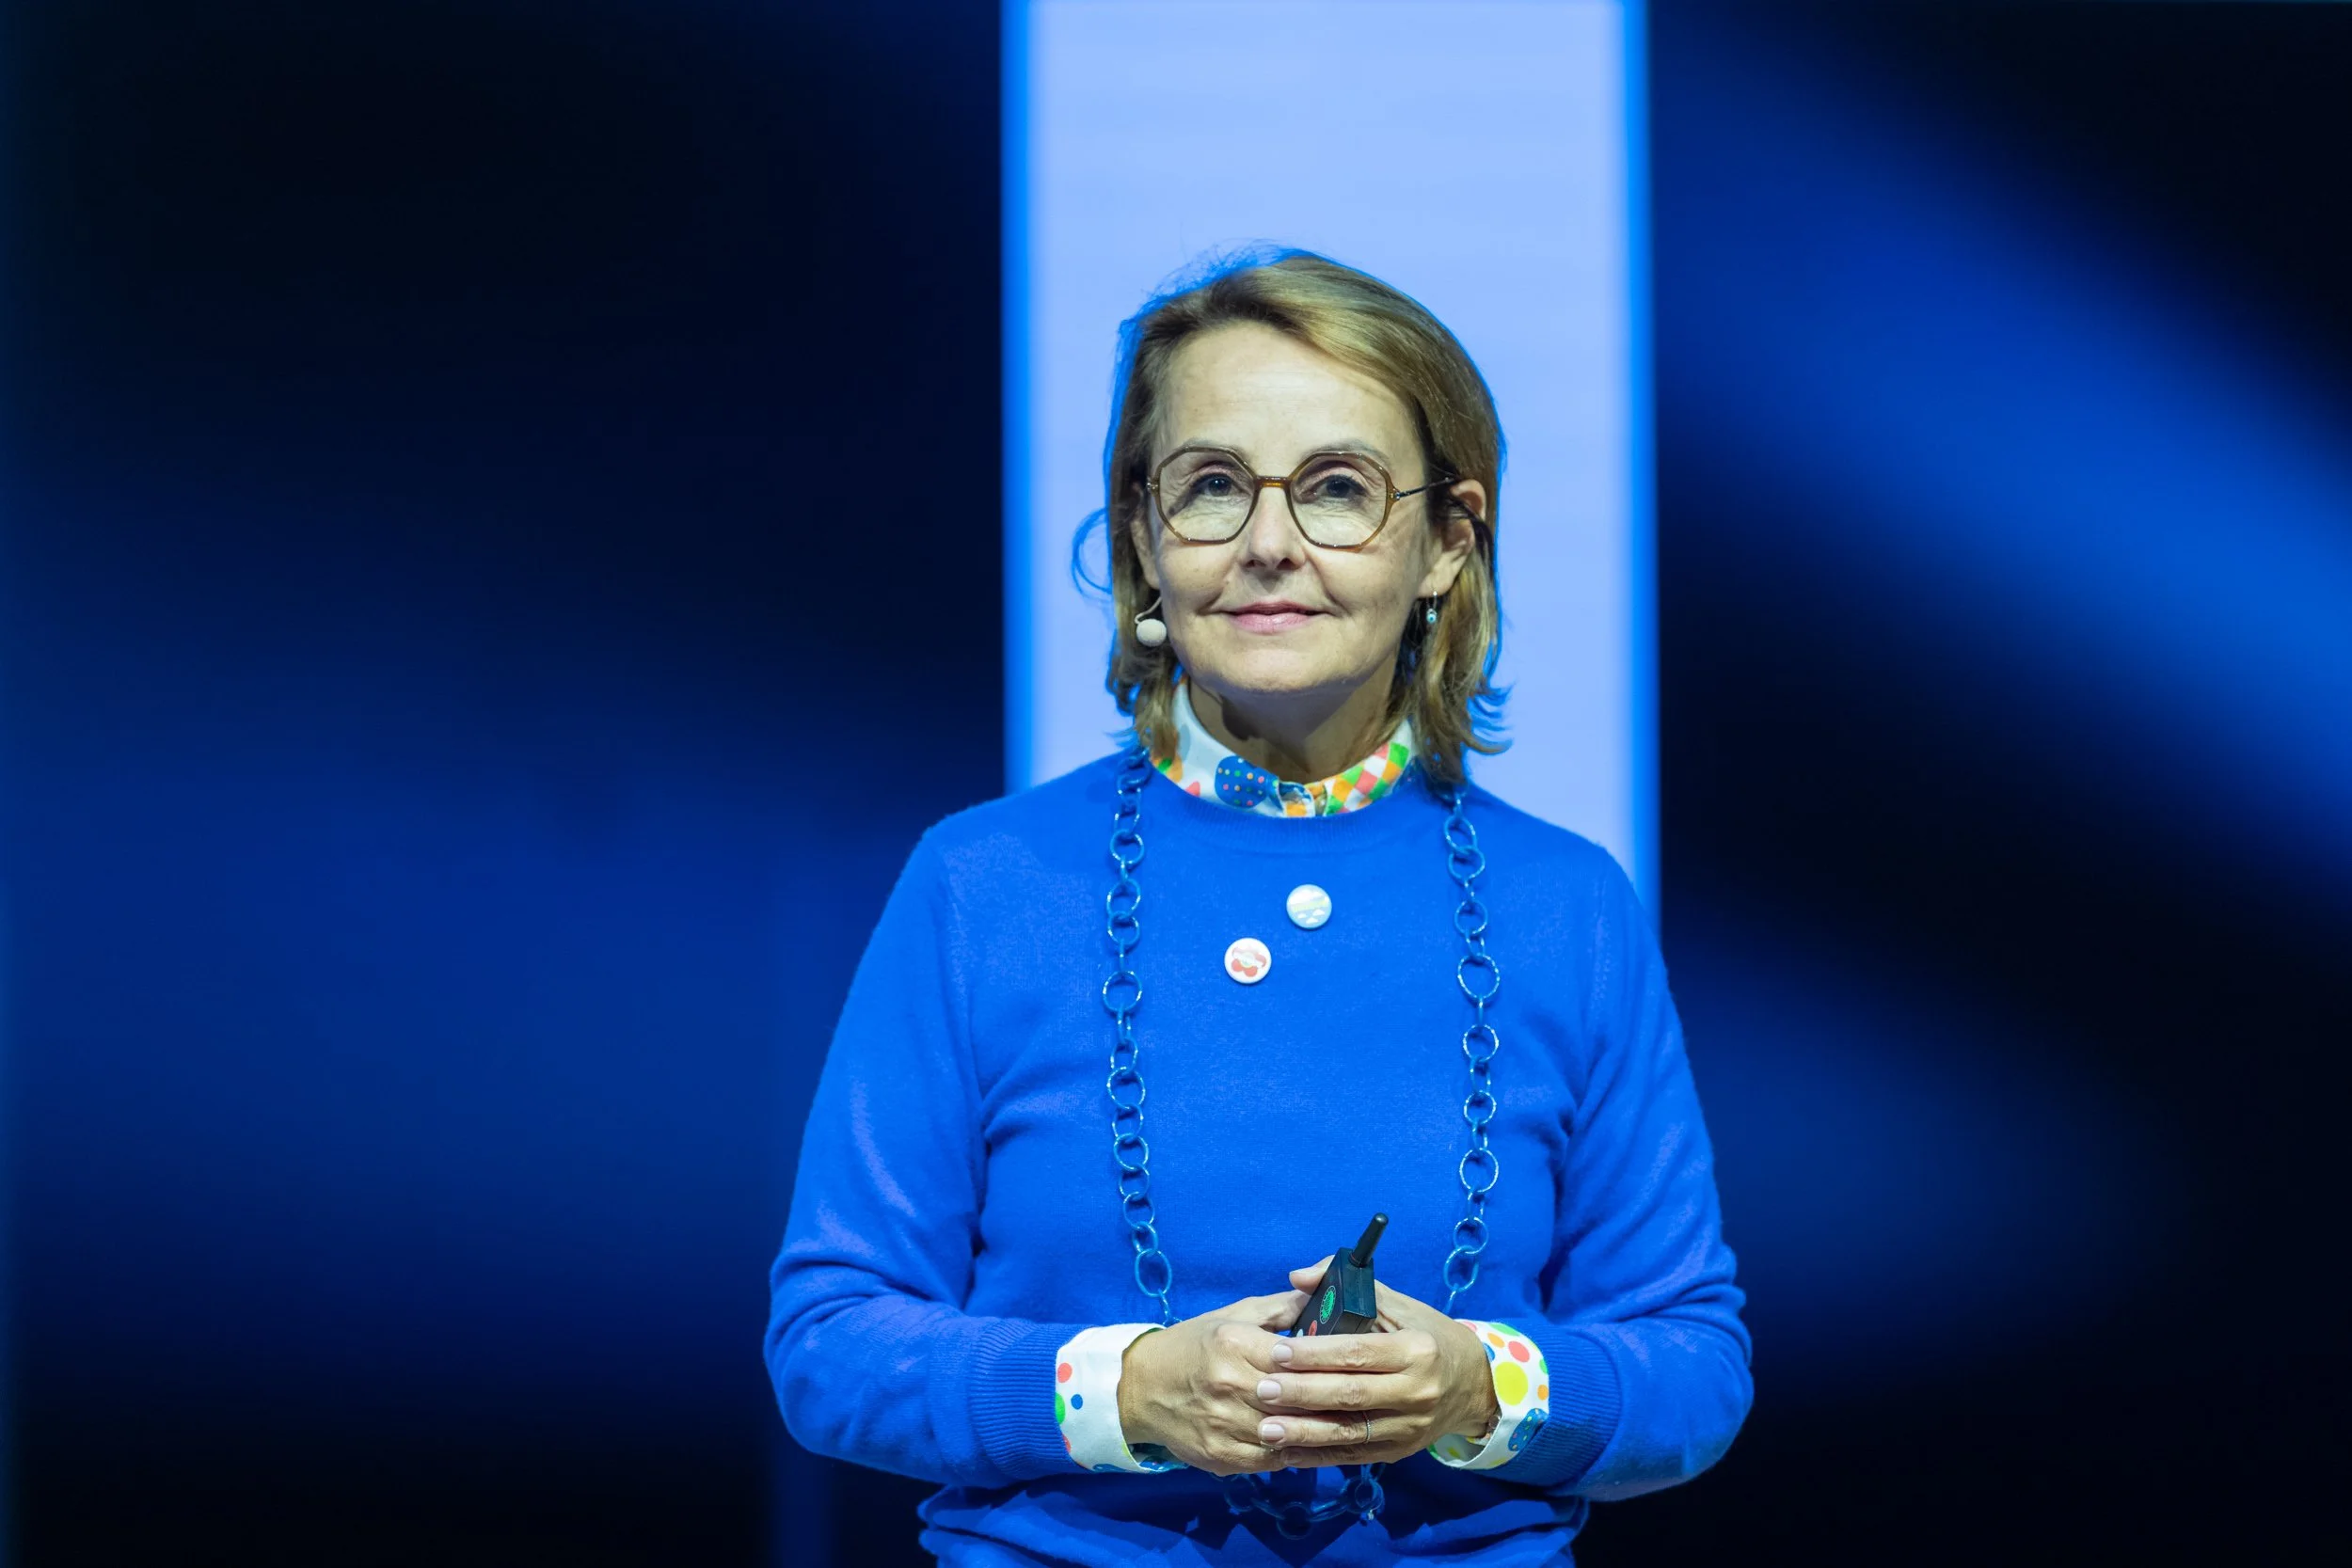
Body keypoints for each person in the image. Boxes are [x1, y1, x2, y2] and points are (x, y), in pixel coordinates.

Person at [766, 250, 1750, 1565]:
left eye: (1338, 488)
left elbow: (1691, 1359)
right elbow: (831, 1339)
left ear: (1447, 544)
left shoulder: (1567, 905)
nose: (1270, 541)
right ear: (1143, 539)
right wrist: (1125, 1391)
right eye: (1214, 486)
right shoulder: (983, 881)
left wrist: (1480, 1389)